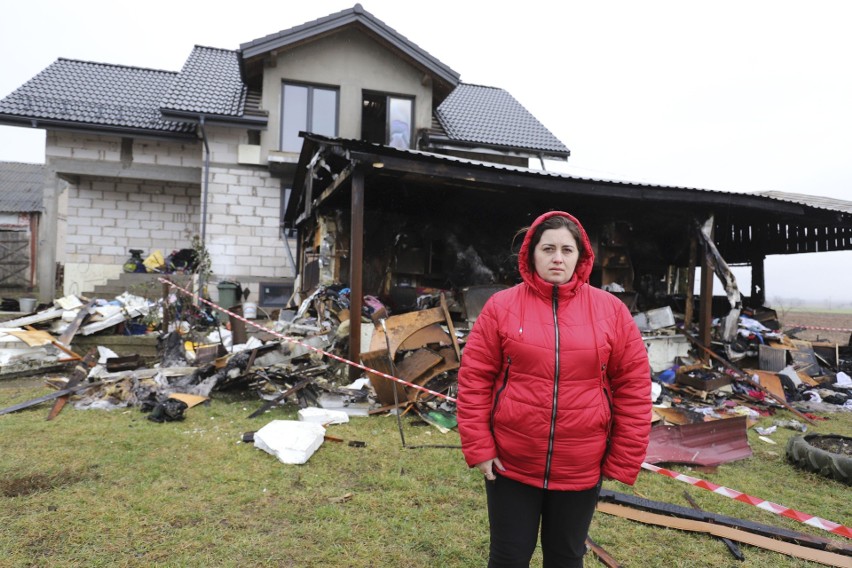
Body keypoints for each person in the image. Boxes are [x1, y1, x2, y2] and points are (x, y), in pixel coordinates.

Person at [457, 211, 651, 568]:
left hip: (581, 466)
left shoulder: (611, 312)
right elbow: (474, 380)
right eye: (548, 249)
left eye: (566, 249)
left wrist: (622, 458)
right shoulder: (501, 307)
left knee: (565, 557)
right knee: (508, 557)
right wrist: (479, 447)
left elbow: (633, 388)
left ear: (581, 257)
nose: (557, 258)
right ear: (531, 254)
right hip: (511, 464)